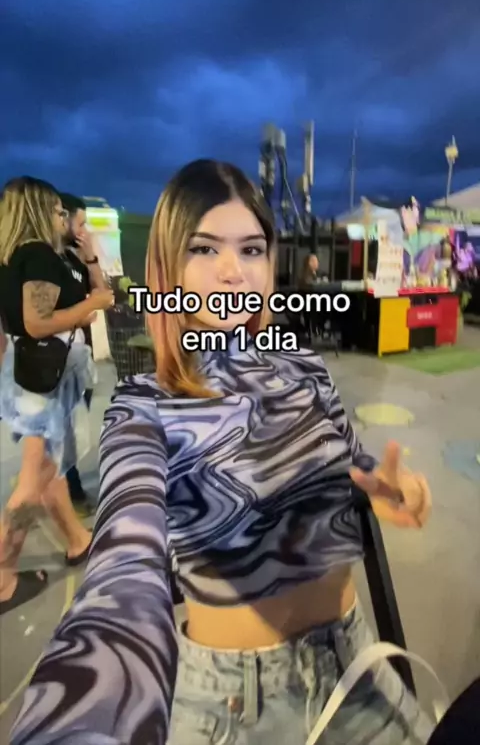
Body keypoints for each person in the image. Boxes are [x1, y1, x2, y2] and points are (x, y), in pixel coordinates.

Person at [11, 161, 434, 744]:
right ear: (168, 266)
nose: (234, 271)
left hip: (356, 662)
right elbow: (123, 565)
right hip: (235, 705)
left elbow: (354, 467)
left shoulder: (303, 367)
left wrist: (388, 490)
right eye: (205, 249)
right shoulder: (143, 404)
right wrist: (88, 705)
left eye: (251, 249)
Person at [0, 176, 114, 615]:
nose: (62, 217)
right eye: (57, 210)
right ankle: (4, 578)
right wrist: (90, 306)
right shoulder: (39, 256)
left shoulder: (13, 256)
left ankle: (77, 540)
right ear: (37, 210)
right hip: (44, 379)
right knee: (32, 483)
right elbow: (38, 322)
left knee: (50, 471)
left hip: (29, 375)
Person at [59, 192, 109, 515]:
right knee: (64, 433)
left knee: (75, 432)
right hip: (56, 360)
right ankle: (69, 494)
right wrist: (81, 313)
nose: (84, 230)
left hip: (80, 355)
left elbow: (102, 293)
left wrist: (91, 257)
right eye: (81, 223)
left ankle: (60, 487)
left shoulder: (75, 259)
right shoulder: (45, 261)